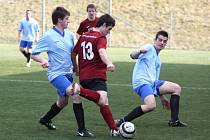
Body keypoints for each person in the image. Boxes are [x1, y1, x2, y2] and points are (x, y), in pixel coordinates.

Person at [31, 7, 94, 137]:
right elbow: (34, 54)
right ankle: (81, 130)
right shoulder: (48, 36)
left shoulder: (70, 35)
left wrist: (76, 68)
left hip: (68, 73)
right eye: (67, 19)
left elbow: (73, 54)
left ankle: (45, 119)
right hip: (56, 74)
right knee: (75, 92)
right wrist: (43, 60)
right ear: (59, 20)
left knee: (63, 102)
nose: (68, 21)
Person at [116, 30, 187, 127]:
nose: (162, 43)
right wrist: (140, 51)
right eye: (160, 40)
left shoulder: (158, 61)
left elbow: (155, 81)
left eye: (164, 41)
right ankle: (122, 121)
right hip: (142, 83)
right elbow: (132, 55)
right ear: (155, 40)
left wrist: (162, 97)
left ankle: (174, 121)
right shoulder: (149, 48)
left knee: (176, 88)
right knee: (151, 106)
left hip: (152, 83)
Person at [72, 14, 120, 136]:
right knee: (102, 99)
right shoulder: (101, 38)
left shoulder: (84, 35)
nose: (108, 33)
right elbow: (102, 52)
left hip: (84, 77)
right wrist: (109, 63)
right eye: (109, 29)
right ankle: (79, 90)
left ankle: (114, 129)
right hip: (96, 75)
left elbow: (73, 53)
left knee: (104, 101)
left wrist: (76, 68)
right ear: (103, 25)